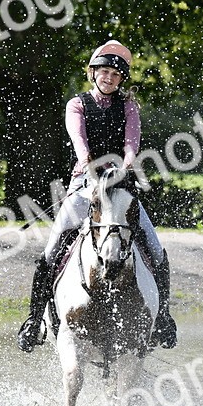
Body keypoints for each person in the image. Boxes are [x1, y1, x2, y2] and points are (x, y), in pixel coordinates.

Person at [17, 40, 177, 352]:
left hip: (119, 185)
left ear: (120, 80)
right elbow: (79, 141)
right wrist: (89, 165)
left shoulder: (129, 106)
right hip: (85, 183)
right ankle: (34, 320)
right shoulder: (76, 105)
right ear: (93, 74)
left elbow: (132, 142)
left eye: (115, 75)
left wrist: (128, 166)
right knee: (50, 252)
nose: (109, 78)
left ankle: (164, 318)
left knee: (156, 251)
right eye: (104, 72)